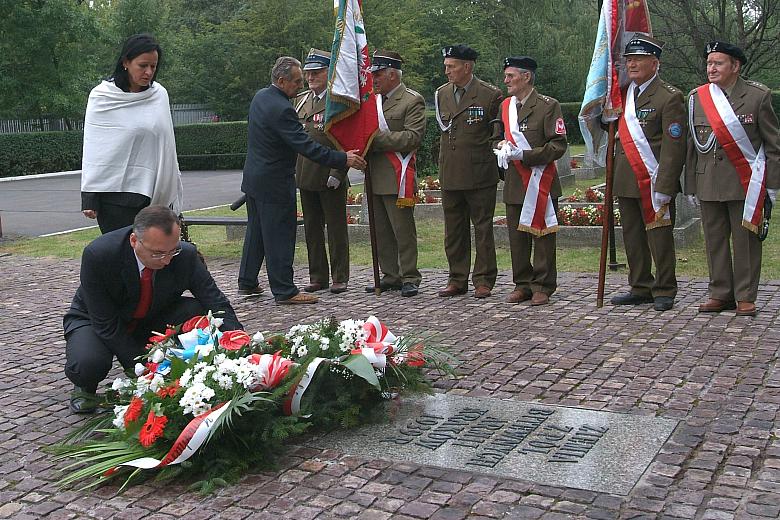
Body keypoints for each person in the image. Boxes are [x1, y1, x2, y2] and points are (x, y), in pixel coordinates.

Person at [63, 206, 242, 413]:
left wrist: (237, 341)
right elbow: (106, 324)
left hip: (150, 317)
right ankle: (84, 387)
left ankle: (180, 363)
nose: (166, 260)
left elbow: (216, 302)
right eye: (157, 253)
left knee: (197, 310)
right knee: (88, 364)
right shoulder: (100, 255)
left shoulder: (185, 255)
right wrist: (144, 370)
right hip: (95, 320)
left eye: (172, 251)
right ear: (134, 241)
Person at [238, 56, 366, 304]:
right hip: (275, 183)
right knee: (279, 235)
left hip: (255, 179)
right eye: (297, 81)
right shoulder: (283, 107)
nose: (301, 85)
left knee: (256, 233)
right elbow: (306, 146)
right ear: (282, 80)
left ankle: (247, 281)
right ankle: (285, 290)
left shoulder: (260, 98)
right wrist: (342, 159)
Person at [685, 41, 780, 316]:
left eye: (718, 63)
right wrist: (690, 184)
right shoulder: (696, 97)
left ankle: (746, 296)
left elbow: (773, 144)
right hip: (708, 182)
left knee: (745, 242)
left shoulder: (756, 96)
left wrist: (772, 184)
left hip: (745, 183)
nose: (711, 68)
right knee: (714, 240)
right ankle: (720, 293)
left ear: (735, 67)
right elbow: (691, 146)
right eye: (709, 63)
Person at [609, 35, 686, 312]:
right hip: (626, 177)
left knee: (659, 237)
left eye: (638, 59)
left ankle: (665, 288)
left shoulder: (670, 96)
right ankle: (640, 285)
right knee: (632, 236)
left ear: (654, 63)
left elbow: (674, 146)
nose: (632, 64)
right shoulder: (622, 95)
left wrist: (665, 184)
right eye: (629, 60)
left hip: (654, 179)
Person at [80, 33, 183, 234]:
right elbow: (94, 148)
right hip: (115, 199)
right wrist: (89, 197)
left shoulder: (159, 95)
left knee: (156, 257)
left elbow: (166, 145)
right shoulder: (102, 97)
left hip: (154, 195)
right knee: (122, 259)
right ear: (126, 62)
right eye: (143, 65)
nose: (149, 72)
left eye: (153, 66)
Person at [494, 56, 568, 306]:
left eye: (510, 76)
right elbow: (495, 137)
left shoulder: (548, 105)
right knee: (517, 237)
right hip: (515, 181)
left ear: (526, 77)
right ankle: (522, 284)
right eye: (505, 76)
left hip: (542, 181)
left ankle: (543, 285)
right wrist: (502, 146)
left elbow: (558, 145)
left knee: (543, 235)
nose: (506, 81)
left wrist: (524, 155)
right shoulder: (505, 106)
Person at [435, 44, 503, 299]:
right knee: (454, 230)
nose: (447, 71)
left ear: (467, 66)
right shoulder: (441, 94)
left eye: (451, 67)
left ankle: (483, 279)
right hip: (450, 172)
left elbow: (496, 135)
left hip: (479, 174)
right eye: (446, 66)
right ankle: (457, 278)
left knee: (482, 229)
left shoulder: (489, 94)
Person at [364, 50, 426, 297]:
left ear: (392, 74)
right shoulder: (372, 100)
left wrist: (376, 139)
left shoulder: (411, 100)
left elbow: (413, 137)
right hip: (374, 174)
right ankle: (390, 275)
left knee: (402, 230)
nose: (374, 79)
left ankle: (410, 276)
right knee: (381, 231)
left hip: (397, 174)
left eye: (378, 74)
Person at [295, 49, 350, 295]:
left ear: (329, 73)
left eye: (316, 72)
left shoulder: (338, 102)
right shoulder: (303, 100)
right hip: (306, 174)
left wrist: (338, 173)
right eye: (308, 73)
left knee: (336, 229)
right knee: (312, 229)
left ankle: (340, 276)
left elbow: (347, 142)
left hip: (329, 174)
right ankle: (318, 275)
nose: (311, 77)